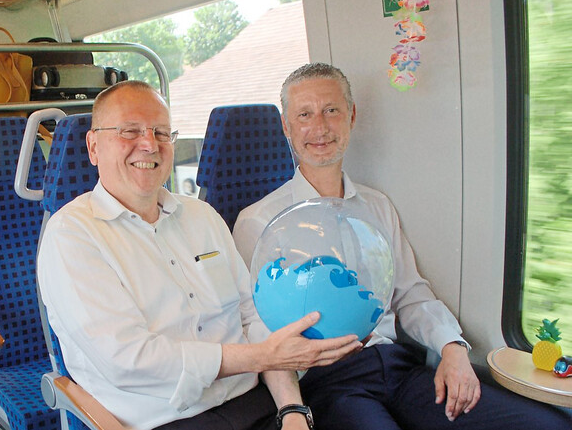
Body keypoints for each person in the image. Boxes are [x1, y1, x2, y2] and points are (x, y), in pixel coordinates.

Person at [232, 63, 572, 430]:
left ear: (352, 116)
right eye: (304, 114)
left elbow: (410, 294)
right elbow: (258, 331)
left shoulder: (377, 206)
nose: (320, 127)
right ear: (286, 126)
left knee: (545, 424)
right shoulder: (258, 221)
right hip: (328, 381)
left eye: (331, 110)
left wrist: (452, 348)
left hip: (397, 366)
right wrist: (292, 409)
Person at [38, 80, 363, 430]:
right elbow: (127, 360)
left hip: (256, 403)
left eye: (161, 132)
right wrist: (259, 356)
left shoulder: (203, 217)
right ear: (93, 147)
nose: (148, 144)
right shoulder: (72, 235)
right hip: (164, 420)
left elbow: (253, 317)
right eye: (129, 131)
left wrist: (292, 410)